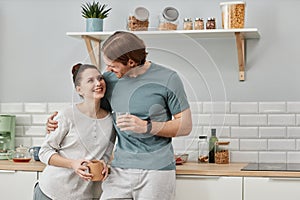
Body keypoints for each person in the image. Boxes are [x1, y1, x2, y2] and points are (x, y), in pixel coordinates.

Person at [47, 31, 192, 200]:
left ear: (131, 62)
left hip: (157, 170)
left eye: (112, 65)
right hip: (119, 169)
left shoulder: (168, 78)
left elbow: (185, 126)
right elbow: (90, 111)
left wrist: (146, 126)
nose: (107, 69)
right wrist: (58, 121)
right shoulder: (110, 79)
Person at [35, 64, 115, 200]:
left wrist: (105, 165)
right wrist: (72, 163)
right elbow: (44, 152)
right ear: (79, 90)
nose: (98, 83)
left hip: (84, 195)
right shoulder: (66, 115)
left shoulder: (110, 121)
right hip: (52, 193)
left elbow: (106, 156)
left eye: (100, 78)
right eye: (90, 80)